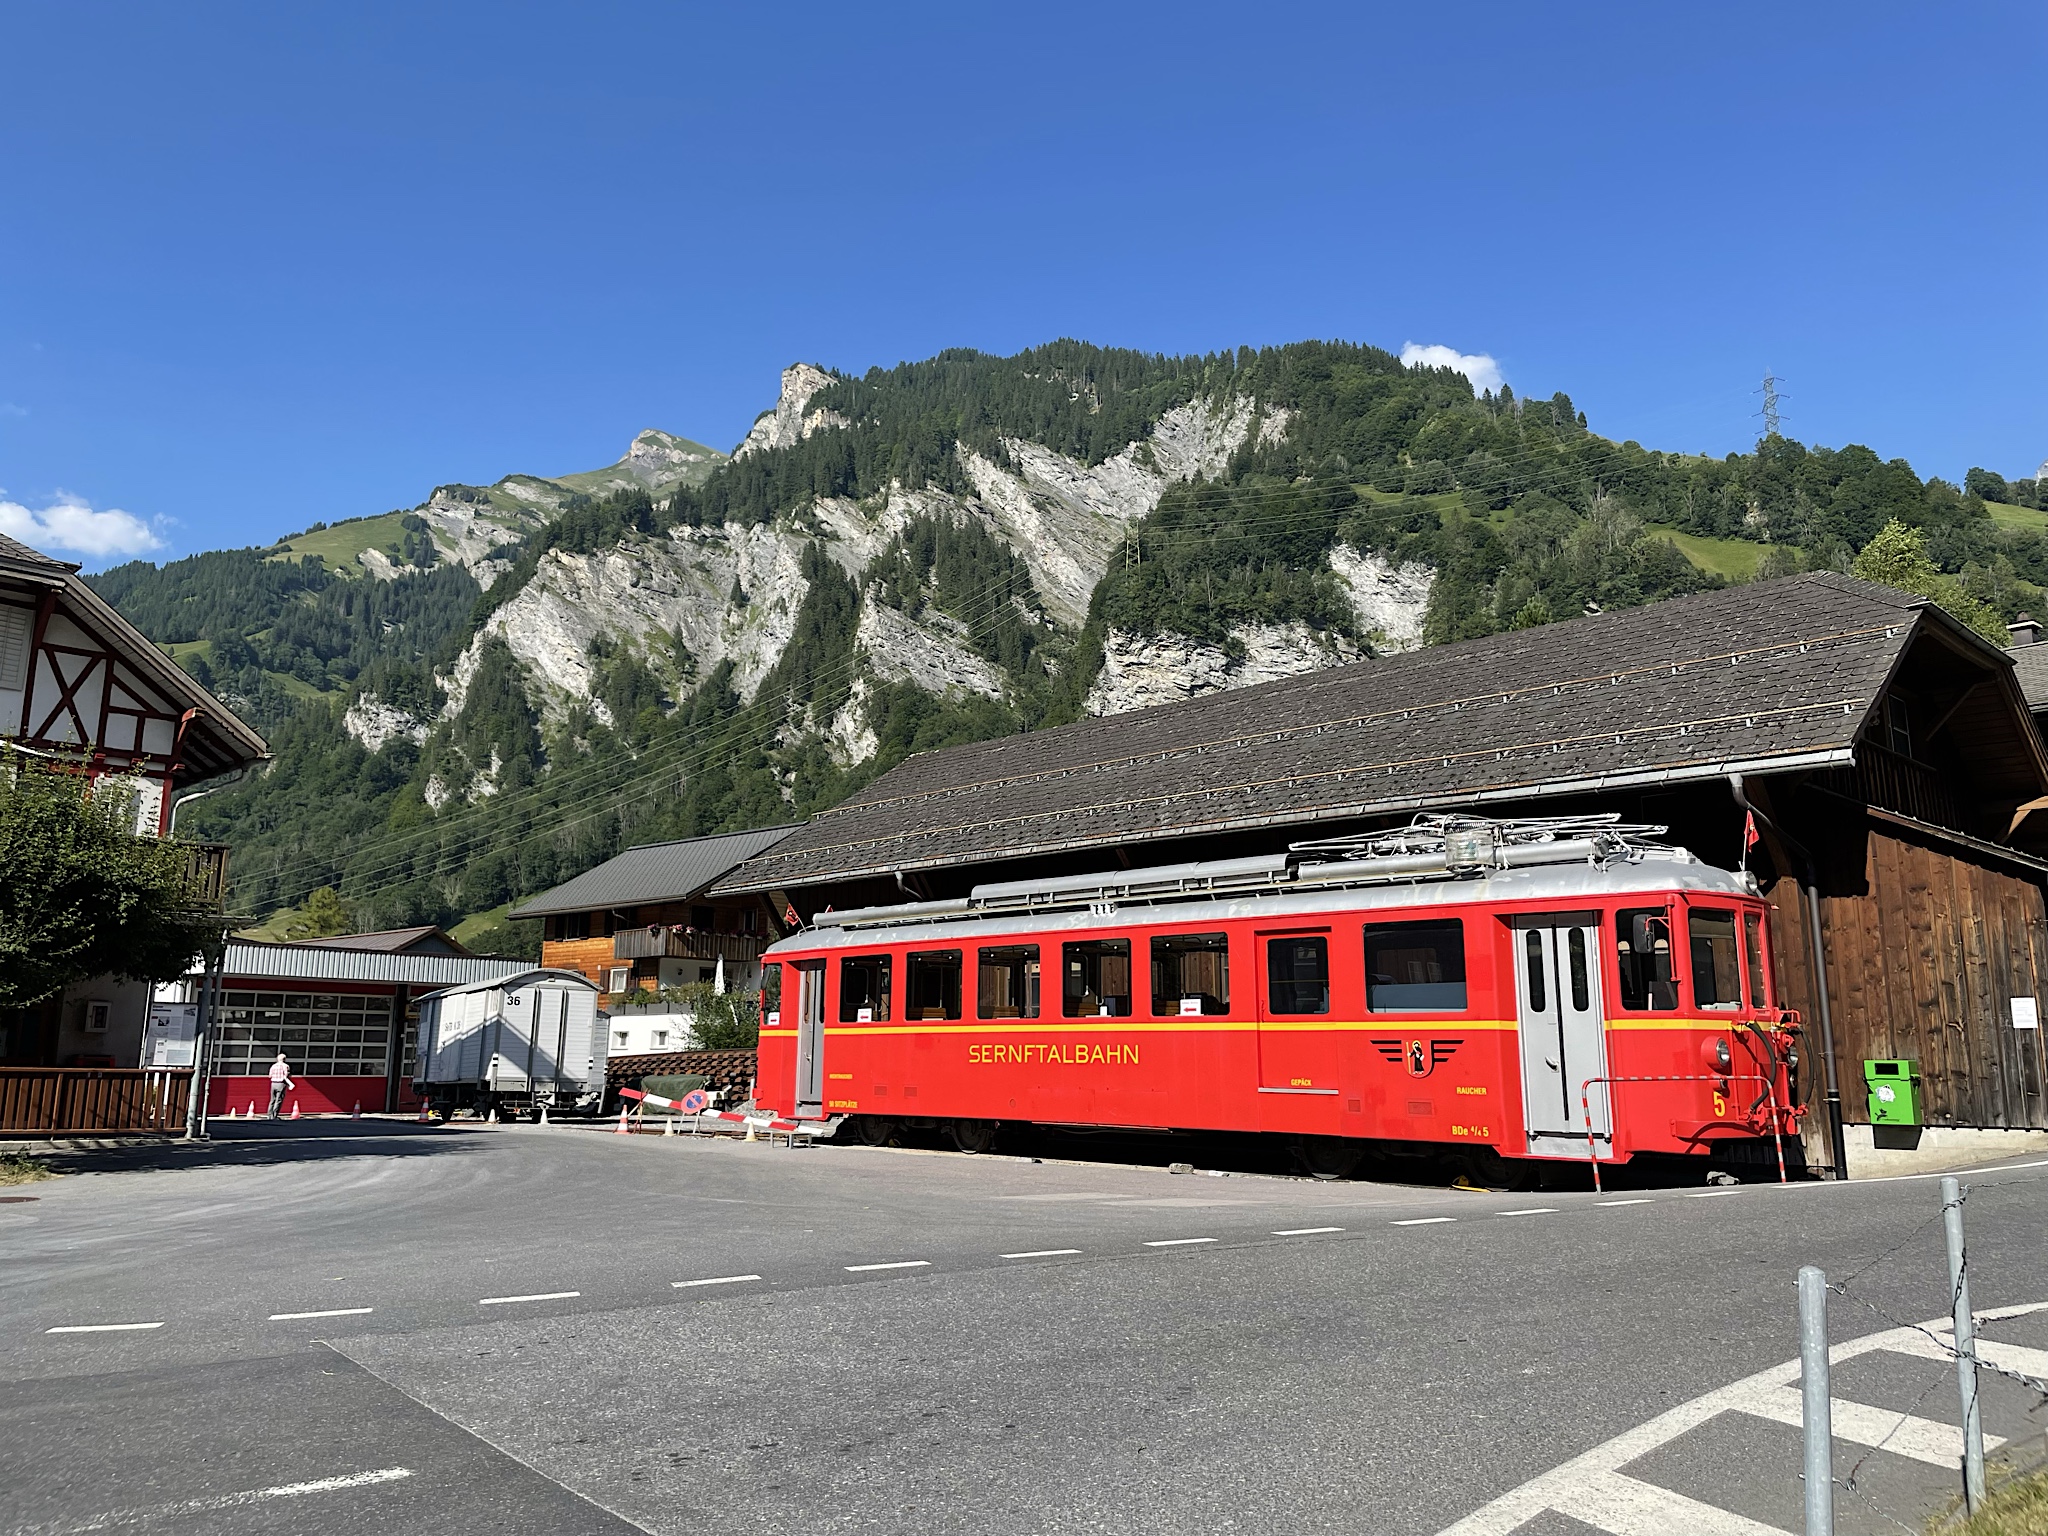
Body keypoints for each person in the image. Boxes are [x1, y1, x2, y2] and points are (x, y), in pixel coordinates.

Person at [266, 1053, 294, 1118]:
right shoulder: (285, 1066)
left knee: (272, 1100)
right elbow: (286, 1076)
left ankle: (269, 1115)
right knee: (278, 1100)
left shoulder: (273, 1066)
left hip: (273, 1083)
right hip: (281, 1083)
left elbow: (270, 1076)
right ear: (284, 1059)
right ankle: (274, 1115)